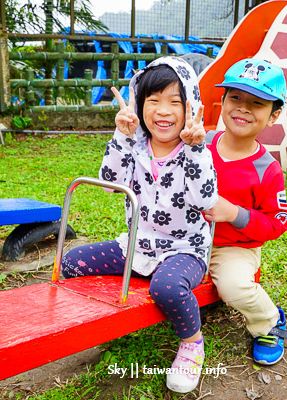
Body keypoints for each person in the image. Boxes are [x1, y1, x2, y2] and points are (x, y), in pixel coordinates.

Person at [61, 57, 218, 393]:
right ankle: (103, 323)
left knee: (165, 288)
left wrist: (196, 148)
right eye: (153, 101)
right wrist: (121, 133)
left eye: (175, 102)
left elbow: (205, 201)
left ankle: (192, 343)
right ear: (139, 104)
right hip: (137, 245)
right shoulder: (135, 146)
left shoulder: (196, 151)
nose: (163, 111)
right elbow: (108, 182)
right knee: (73, 262)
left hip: (184, 250)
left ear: (190, 106)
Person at [203, 58, 287, 366]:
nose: (243, 108)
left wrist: (235, 213)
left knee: (233, 285)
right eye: (236, 97)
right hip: (187, 238)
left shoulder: (267, 170)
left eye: (256, 103)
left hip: (232, 248)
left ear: (273, 116)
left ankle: (268, 322)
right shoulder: (201, 143)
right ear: (223, 102)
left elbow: (277, 222)